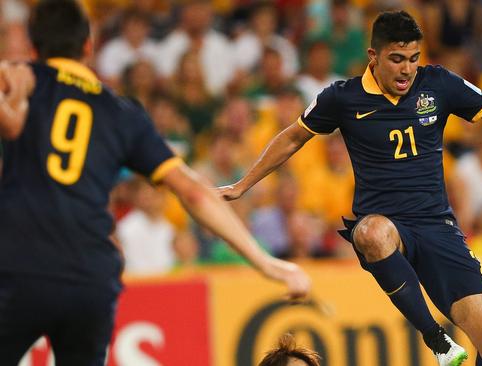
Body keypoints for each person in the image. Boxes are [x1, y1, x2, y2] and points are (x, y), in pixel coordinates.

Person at [218, 10, 482, 366]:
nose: (407, 69)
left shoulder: (439, 85)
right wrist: (242, 185)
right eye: (397, 59)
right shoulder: (343, 97)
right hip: (386, 225)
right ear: (373, 56)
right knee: (371, 233)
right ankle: (436, 339)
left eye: (413, 59)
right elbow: (292, 137)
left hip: (437, 227)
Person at [0, 1, 310, 365]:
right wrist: (265, 261)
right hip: (90, 276)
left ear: (34, 46)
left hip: (24, 265)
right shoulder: (120, 112)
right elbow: (194, 191)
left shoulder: (19, 83)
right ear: (89, 45)